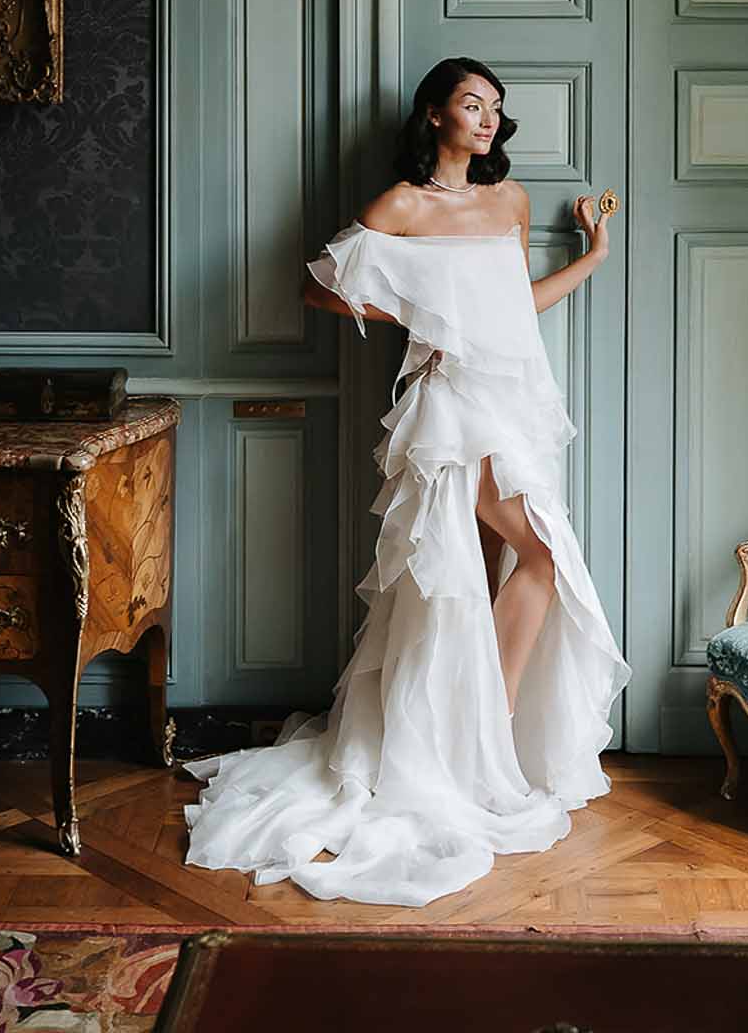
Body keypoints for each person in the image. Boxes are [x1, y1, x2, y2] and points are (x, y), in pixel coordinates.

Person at [185, 56, 631, 906]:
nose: (488, 119)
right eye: (472, 105)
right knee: (534, 563)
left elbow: (513, 306)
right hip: (450, 409)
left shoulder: (511, 201)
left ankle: (468, 737)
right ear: (435, 116)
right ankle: (479, 738)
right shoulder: (402, 206)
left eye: (496, 107)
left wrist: (595, 254)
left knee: (500, 568)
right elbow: (321, 288)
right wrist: (426, 316)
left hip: (516, 406)